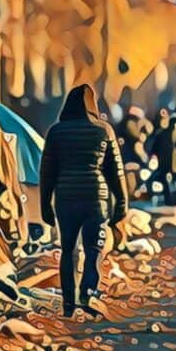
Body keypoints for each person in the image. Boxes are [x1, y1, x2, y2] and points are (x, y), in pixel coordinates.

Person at [40, 84, 128, 317]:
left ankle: (69, 303)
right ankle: (88, 293)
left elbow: (47, 172)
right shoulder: (103, 130)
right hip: (95, 200)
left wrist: (45, 204)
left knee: (68, 251)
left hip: (65, 199)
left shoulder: (56, 132)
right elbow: (115, 171)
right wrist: (122, 202)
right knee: (94, 250)